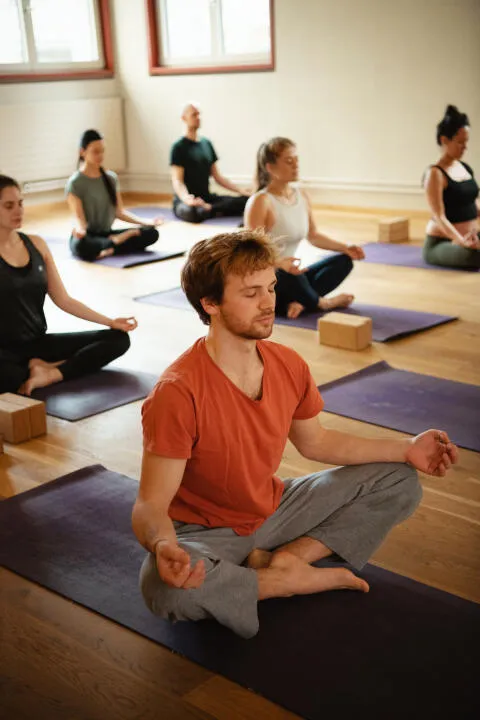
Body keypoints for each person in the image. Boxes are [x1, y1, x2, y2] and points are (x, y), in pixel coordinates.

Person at [132, 229, 458, 639]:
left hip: (274, 509)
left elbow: (317, 443)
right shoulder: (177, 393)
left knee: (399, 479)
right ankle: (276, 583)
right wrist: (163, 548)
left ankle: (288, 560)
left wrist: (406, 448)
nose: (269, 302)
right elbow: (150, 504)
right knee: (164, 591)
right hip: (204, 534)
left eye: (271, 287)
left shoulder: (287, 363)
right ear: (210, 303)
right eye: (251, 293)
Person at [0, 175, 137, 395]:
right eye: (9, 206)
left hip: (38, 343)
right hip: (4, 353)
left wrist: (110, 321)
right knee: (7, 377)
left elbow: (63, 299)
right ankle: (46, 366)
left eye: (20, 203)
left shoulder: (36, 244)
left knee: (118, 340)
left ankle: (50, 373)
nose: (18, 211)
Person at [244, 137, 365, 319]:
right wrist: (278, 264)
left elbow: (313, 235)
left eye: (296, 160)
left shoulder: (301, 196)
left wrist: (345, 247)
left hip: (293, 274)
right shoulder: (260, 202)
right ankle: (323, 303)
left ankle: (300, 301)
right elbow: (250, 254)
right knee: (286, 274)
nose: (296, 165)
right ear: (270, 167)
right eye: (289, 161)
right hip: (267, 278)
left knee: (343, 261)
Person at [66, 129, 163, 262]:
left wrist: (147, 222)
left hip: (107, 235)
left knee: (151, 233)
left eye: (102, 151)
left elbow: (119, 212)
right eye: (95, 151)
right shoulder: (75, 183)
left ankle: (112, 246)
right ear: (82, 152)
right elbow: (80, 220)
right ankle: (116, 243)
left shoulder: (111, 178)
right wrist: (79, 231)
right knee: (79, 245)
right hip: (89, 237)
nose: (100, 155)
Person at [170, 103, 250, 224]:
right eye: (194, 115)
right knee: (192, 212)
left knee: (247, 201)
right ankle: (211, 210)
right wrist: (187, 199)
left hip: (207, 198)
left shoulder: (206, 144)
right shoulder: (178, 147)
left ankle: (210, 209)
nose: (198, 117)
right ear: (184, 118)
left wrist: (241, 190)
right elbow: (177, 181)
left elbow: (217, 177)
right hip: (187, 202)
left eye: (199, 114)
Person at [423, 105, 480, 269]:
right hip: (443, 242)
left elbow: (474, 205)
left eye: (466, 142)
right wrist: (461, 242)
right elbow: (439, 216)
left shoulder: (465, 168)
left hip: (471, 236)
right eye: (460, 142)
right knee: (475, 256)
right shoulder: (435, 173)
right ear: (444, 140)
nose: (465, 147)